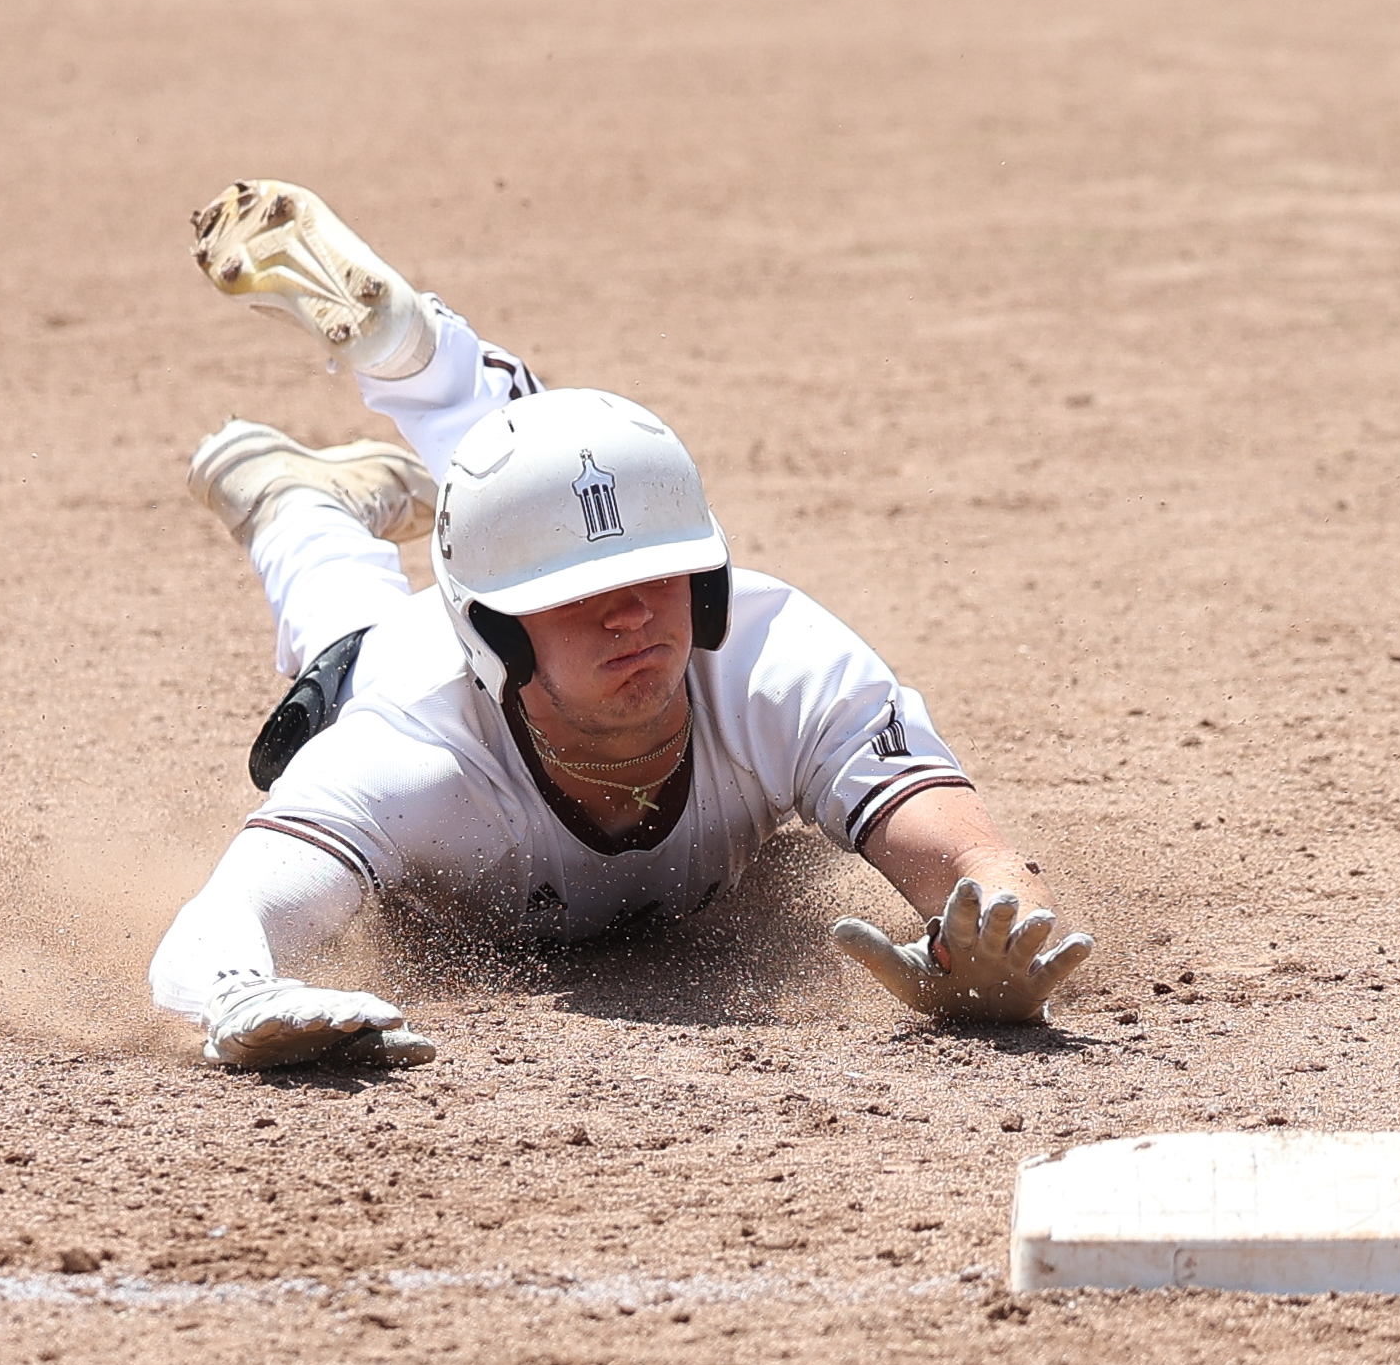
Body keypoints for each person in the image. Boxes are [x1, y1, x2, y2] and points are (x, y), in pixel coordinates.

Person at [147, 180, 1093, 1068]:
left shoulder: (784, 668)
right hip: (384, 670)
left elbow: (977, 863)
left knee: (553, 481)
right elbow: (220, 929)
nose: (636, 612)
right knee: (343, 631)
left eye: (659, 572)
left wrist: (1001, 947)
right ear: (495, 632)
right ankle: (296, 499)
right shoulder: (407, 745)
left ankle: (415, 369)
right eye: (580, 594)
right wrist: (240, 1001)